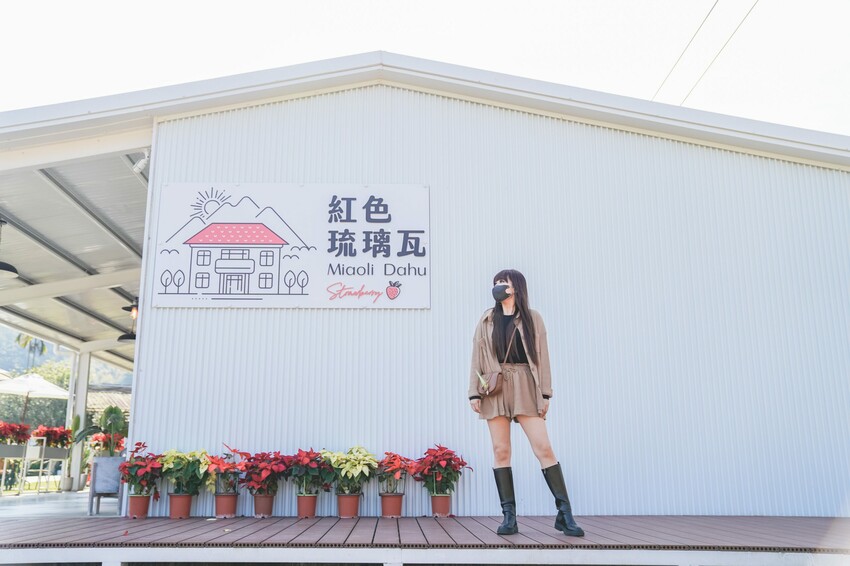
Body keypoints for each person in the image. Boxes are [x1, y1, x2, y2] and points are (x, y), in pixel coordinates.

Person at [468, 269, 584, 537]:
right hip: (495, 385)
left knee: (543, 448)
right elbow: (476, 356)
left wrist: (545, 393)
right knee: (501, 450)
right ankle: (509, 517)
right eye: (496, 282)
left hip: (525, 384)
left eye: (503, 282)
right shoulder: (486, 319)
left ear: (516, 287)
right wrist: (474, 392)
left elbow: (543, 358)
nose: (498, 286)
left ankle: (565, 514)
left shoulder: (533, 318)